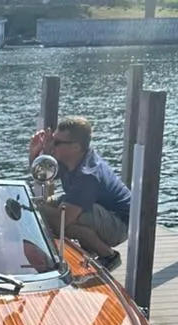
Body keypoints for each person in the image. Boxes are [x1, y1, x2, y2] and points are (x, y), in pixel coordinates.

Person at [28, 116, 130, 272]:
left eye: (57, 142)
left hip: (119, 224)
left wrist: (34, 208)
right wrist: (38, 155)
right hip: (98, 210)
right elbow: (45, 176)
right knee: (46, 209)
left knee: (63, 223)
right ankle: (89, 249)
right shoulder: (70, 159)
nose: (52, 145)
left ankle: (109, 255)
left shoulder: (88, 176)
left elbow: (60, 221)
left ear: (75, 146)